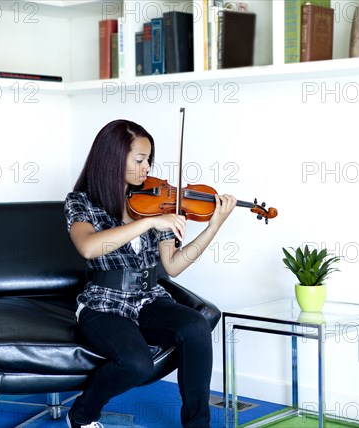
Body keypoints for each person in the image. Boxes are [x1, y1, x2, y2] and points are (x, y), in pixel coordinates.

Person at [64, 119, 236, 428]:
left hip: (147, 299)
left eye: (148, 160)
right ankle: (82, 415)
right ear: (114, 159)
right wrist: (146, 224)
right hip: (103, 304)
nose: (147, 168)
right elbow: (88, 248)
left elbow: (174, 266)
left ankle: (199, 425)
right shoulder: (82, 202)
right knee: (135, 364)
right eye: (139, 160)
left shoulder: (154, 205)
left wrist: (214, 226)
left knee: (195, 326)